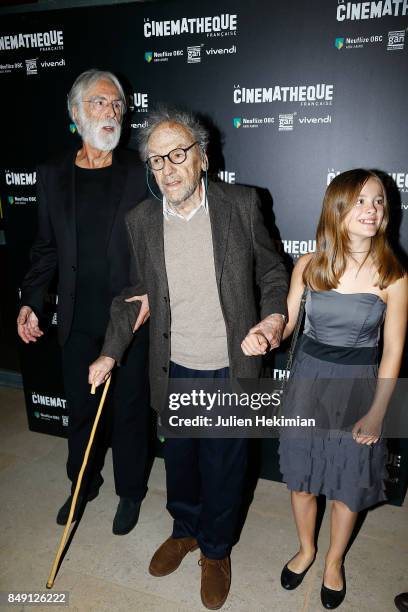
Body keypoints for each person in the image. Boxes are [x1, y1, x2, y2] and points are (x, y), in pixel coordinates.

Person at [89, 107, 289, 609]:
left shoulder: (241, 205)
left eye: (178, 154)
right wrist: (111, 352)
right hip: (173, 364)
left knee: (223, 465)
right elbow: (137, 295)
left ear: (202, 157)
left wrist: (271, 321)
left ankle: (216, 550)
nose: (168, 168)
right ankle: (185, 530)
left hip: (230, 365)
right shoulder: (141, 221)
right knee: (180, 462)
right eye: (157, 160)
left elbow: (272, 275)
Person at [17, 69, 150, 535]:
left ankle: (130, 492)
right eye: (99, 103)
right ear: (75, 112)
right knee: (80, 410)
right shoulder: (53, 173)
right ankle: (82, 484)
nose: (111, 112)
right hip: (76, 318)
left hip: (131, 316)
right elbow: (46, 247)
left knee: (131, 411)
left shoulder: (141, 169)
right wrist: (33, 299)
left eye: (117, 104)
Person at [277, 169, 407, 609]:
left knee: (348, 486)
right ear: (338, 208)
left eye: (379, 201)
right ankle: (306, 549)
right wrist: (266, 331)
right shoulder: (308, 265)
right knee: (301, 481)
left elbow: (392, 353)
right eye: (361, 201)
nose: (372, 209)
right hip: (307, 385)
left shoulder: (393, 276)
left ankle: (333, 561)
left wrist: (377, 412)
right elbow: (288, 324)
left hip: (359, 391)